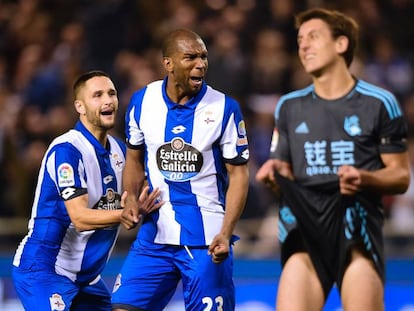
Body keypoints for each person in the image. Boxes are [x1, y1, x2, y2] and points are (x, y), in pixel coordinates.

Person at [255, 8, 410, 311]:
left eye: (313, 37)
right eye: (300, 40)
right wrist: (273, 175)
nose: (303, 46)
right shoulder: (288, 106)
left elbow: (400, 177)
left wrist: (365, 177)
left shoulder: (379, 103)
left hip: (357, 233)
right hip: (303, 231)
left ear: (341, 44)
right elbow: (283, 172)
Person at [111, 29, 250, 311]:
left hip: (206, 241)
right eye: (190, 57)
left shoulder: (224, 108)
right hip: (154, 237)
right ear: (168, 63)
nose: (200, 64)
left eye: (203, 57)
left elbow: (239, 175)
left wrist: (226, 232)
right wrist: (130, 200)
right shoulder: (141, 102)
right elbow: (134, 160)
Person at [12, 70, 162, 311]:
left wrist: (137, 206)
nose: (108, 100)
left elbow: (139, 195)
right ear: (79, 106)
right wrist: (123, 214)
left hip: (87, 280)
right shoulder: (67, 151)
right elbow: (80, 218)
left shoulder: (120, 151)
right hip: (45, 271)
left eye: (111, 93)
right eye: (98, 95)